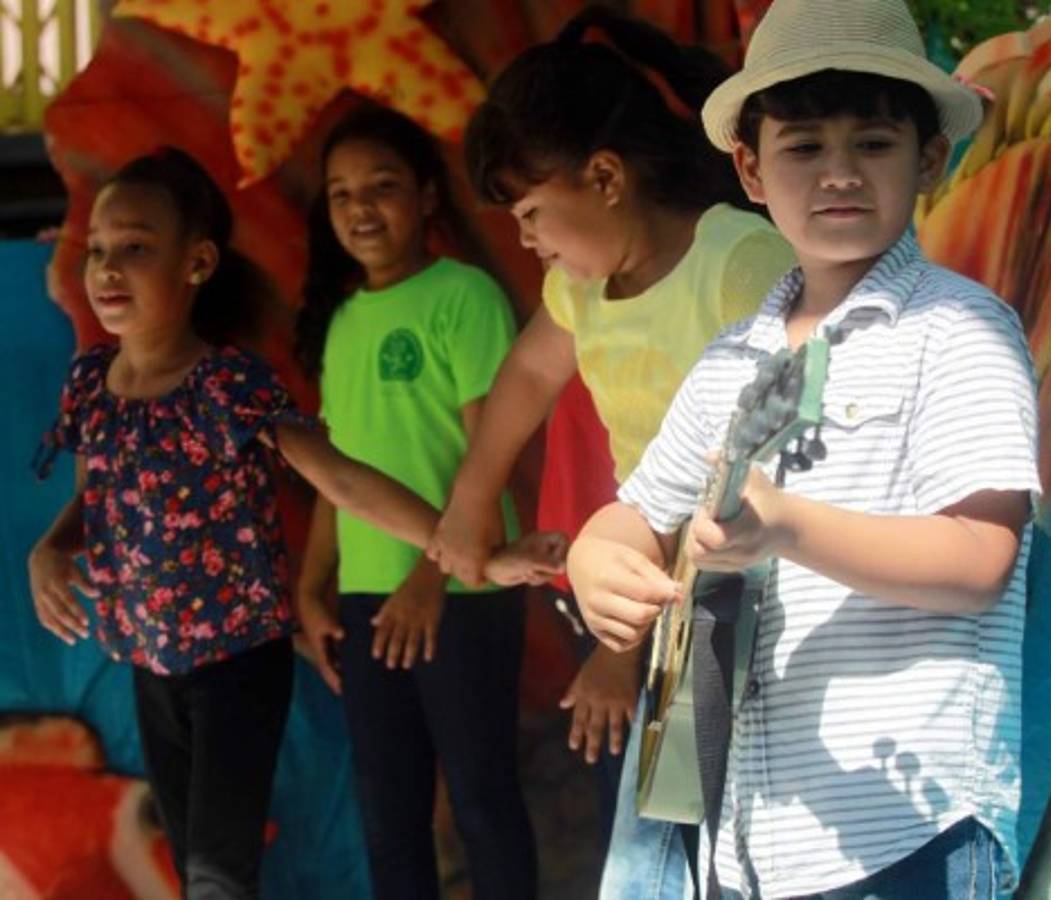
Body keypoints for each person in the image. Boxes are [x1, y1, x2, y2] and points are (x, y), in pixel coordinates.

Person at [567, 1, 1041, 897]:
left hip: (910, 832)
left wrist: (786, 527)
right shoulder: (728, 360)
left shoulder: (960, 328)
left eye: (871, 144)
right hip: (746, 839)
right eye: (802, 147)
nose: (838, 175)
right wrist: (598, 555)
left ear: (928, 158)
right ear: (748, 168)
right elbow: (637, 511)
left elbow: (982, 558)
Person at [25, 147, 556, 898]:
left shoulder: (225, 385)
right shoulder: (92, 384)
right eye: (99, 251)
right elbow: (99, 498)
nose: (109, 268)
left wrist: (473, 556)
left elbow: (339, 476)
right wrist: (47, 550)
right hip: (150, 662)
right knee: (198, 865)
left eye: (136, 248)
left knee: (219, 873)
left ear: (197, 262)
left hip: (237, 659)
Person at [424, 7, 796, 897]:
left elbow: (766, 467)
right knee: (660, 862)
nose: (526, 240)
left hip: (742, 607)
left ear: (603, 176)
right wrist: (471, 500)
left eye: (530, 212)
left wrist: (623, 648)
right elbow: (523, 380)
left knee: (659, 866)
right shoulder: (580, 291)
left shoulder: (740, 262)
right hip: (659, 598)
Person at [291, 104, 551, 900]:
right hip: (371, 596)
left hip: (464, 586)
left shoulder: (462, 296)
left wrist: (429, 577)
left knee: (479, 800)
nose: (361, 209)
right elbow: (339, 475)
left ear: (428, 196)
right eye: (341, 195)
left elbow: (490, 453)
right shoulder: (339, 320)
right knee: (388, 813)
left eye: (383, 187)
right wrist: (310, 589)